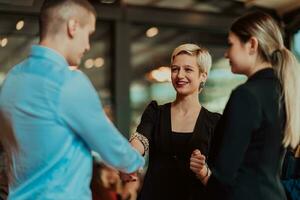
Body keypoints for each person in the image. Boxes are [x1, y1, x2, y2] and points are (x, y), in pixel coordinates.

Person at [0, 0, 144, 199]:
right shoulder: (68, 82)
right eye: (89, 34)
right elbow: (111, 145)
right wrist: (133, 163)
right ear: (73, 26)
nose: (87, 46)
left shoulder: (11, 80)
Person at [190, 11, 300, 200]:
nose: (226, 54)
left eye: (231, 44)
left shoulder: (246, 95)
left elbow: (225, 173)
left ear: (252, 44)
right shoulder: (282, 91)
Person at [124, 43, 221, 200]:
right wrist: (129, 158)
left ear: (203, 75)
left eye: (188, 69)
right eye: (175, 69)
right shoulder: (155, 112)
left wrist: (203, 171)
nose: (179, 75)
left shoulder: (215, 122)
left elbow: (221, 182)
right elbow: (140, 140)